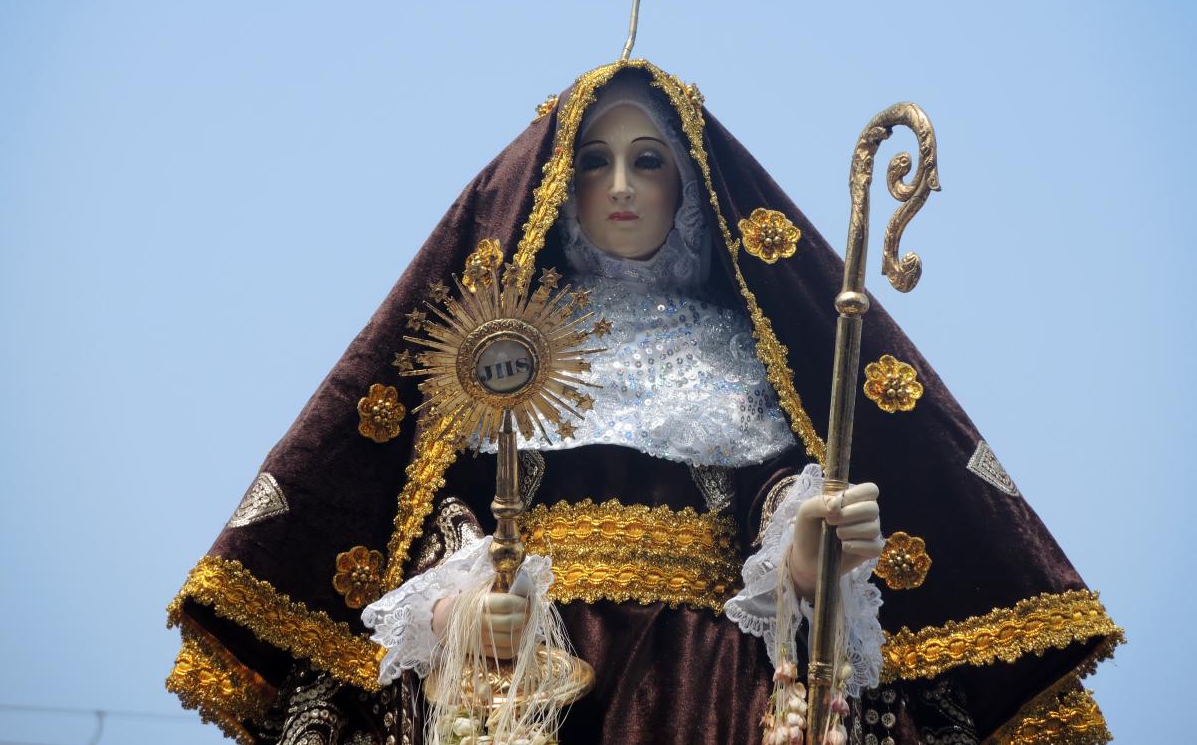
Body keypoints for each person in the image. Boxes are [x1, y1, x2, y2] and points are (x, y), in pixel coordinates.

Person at [167, 61, 1121, 745]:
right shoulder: (500, 340)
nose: (621, 186)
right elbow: (431, 507)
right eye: (594, 160)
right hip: (530, 682)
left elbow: (771, 492)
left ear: (691, 186)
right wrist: (462, 610)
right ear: (555, 184)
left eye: (649, 160)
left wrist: (801, 548)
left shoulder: (747, 353)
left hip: (710, 683)